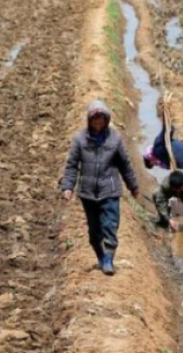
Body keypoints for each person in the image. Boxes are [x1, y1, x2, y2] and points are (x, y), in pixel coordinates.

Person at [61, 100, 140, 276]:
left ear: (106, 120)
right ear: (89, 120)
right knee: (94, 231)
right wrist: (68, 186)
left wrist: (133, 186)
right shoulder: (80, 140)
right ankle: (101, 256)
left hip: (109, 190)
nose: (98, 123)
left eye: (101, 119)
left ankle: (109, 259)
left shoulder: (115, 139)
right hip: (88, 193)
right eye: (95, 119)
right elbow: (72, 165)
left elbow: (125, 165)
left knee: (110, 226)